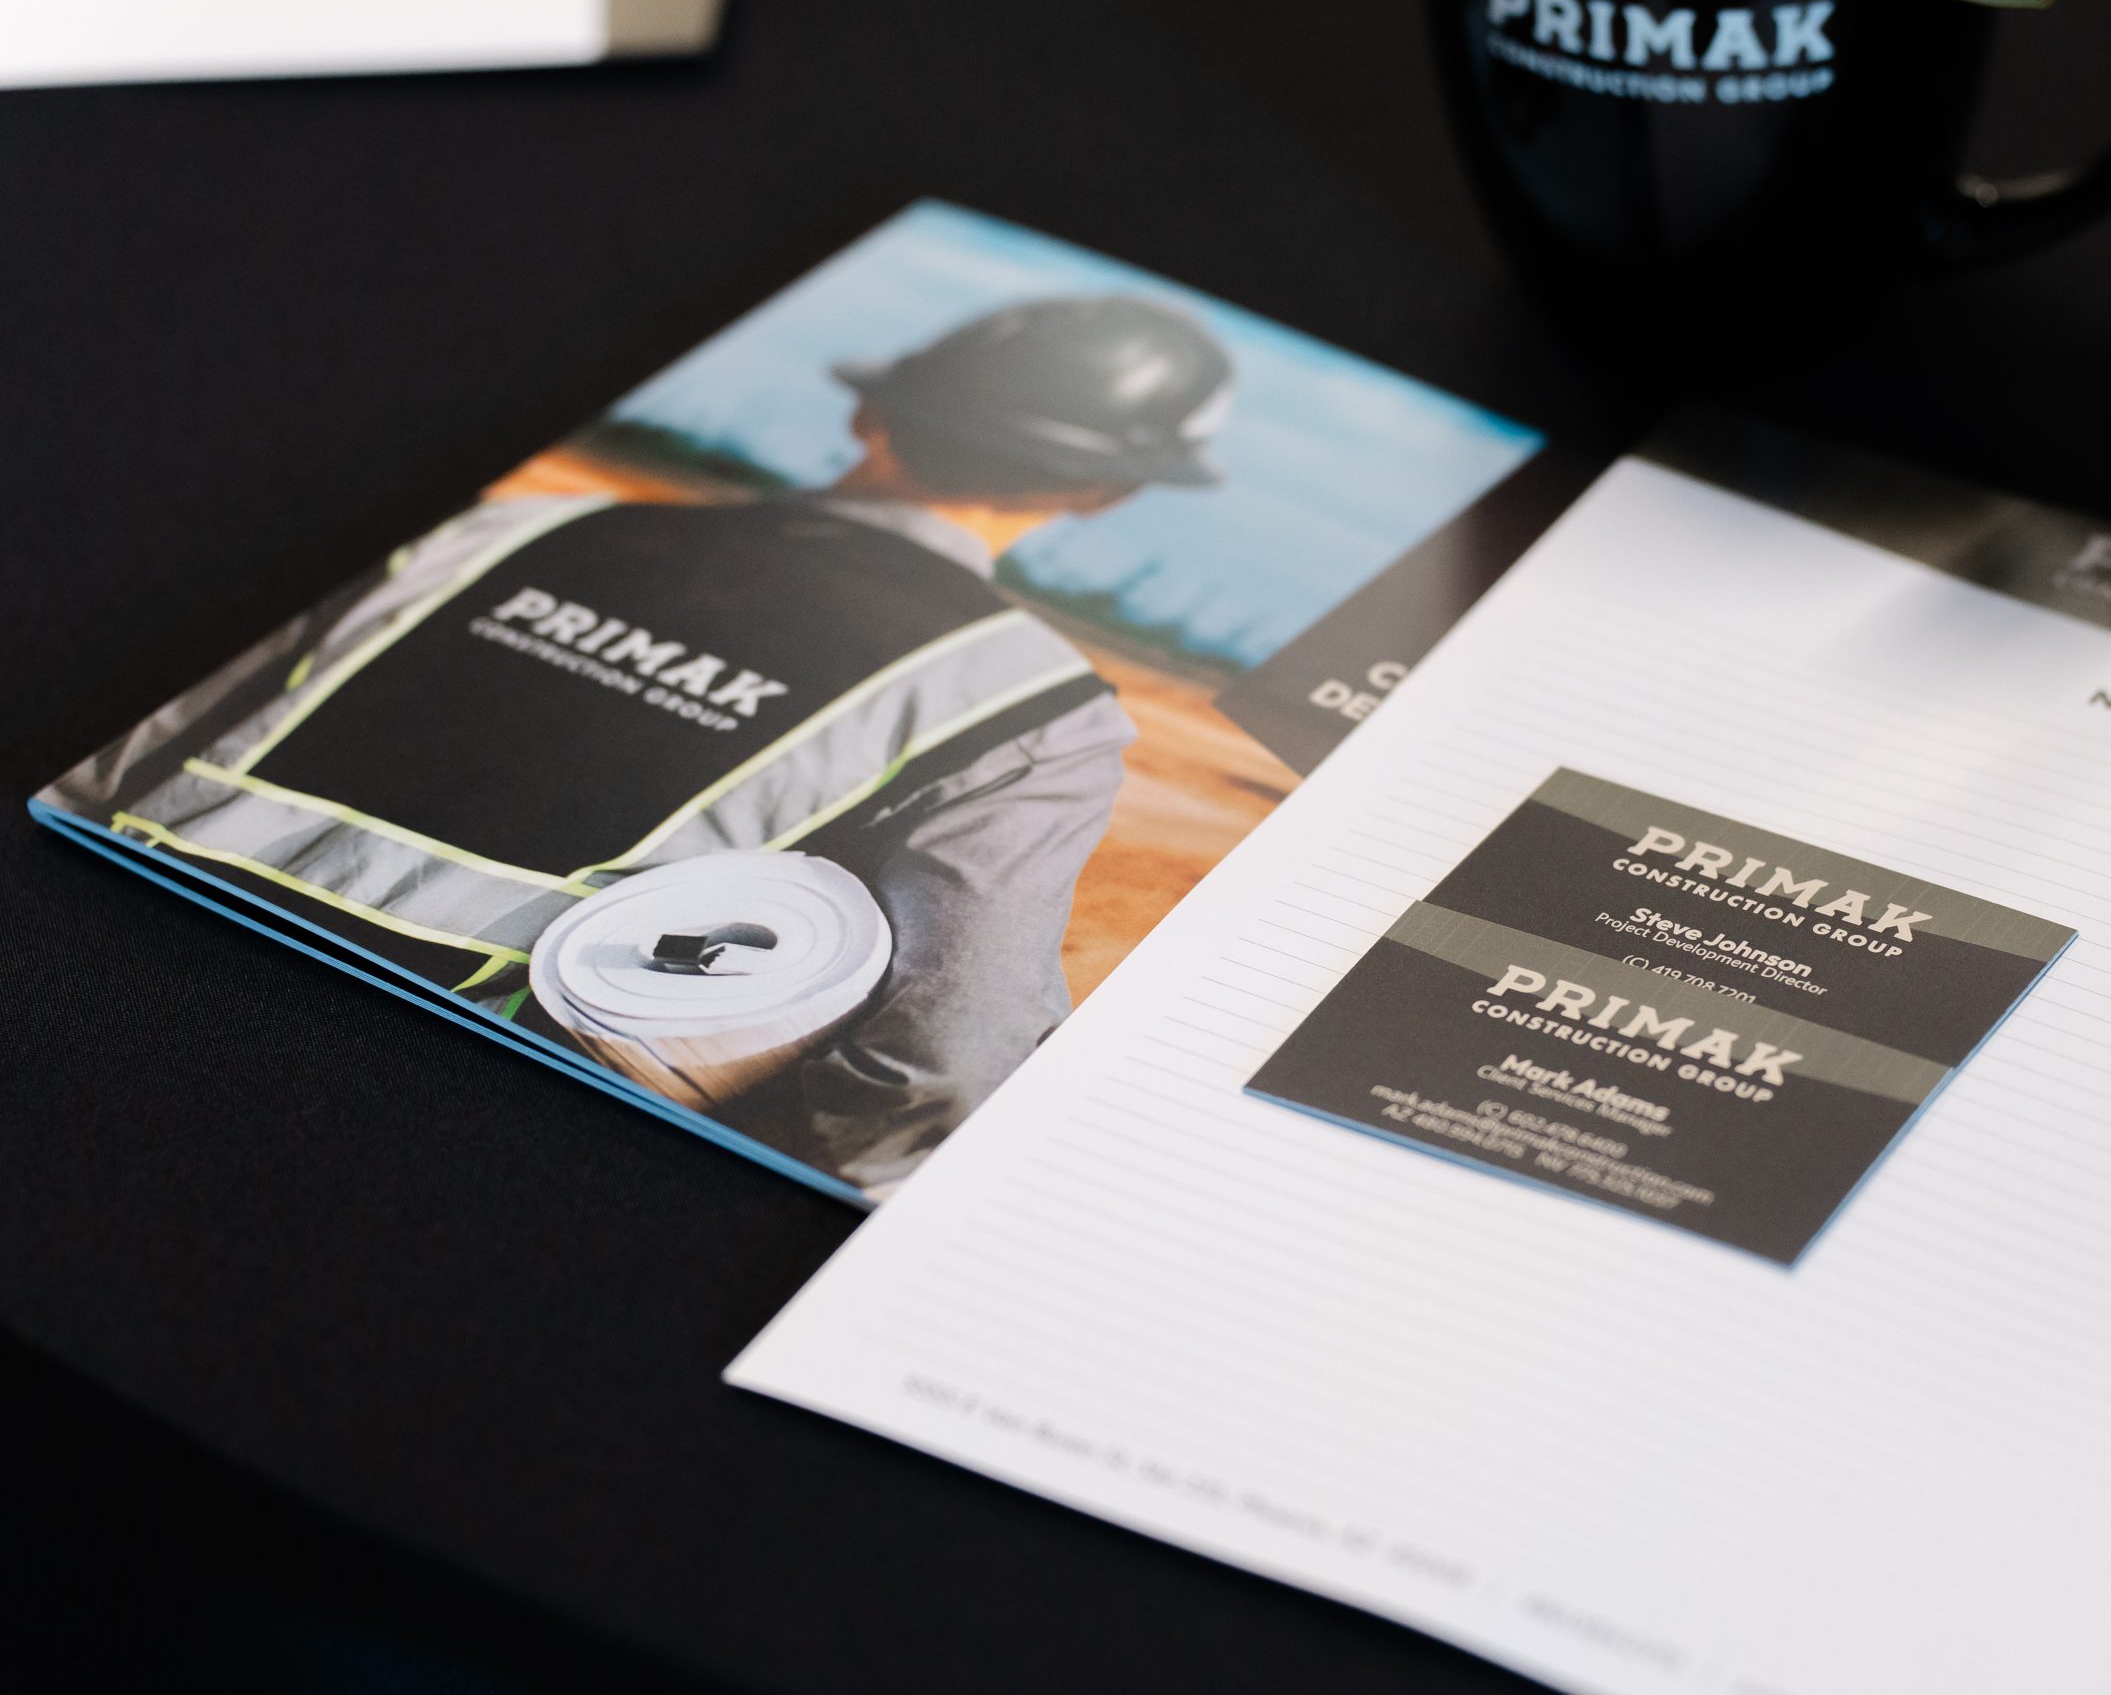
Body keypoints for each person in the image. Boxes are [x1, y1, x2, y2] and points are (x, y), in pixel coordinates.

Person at [47, 294, 1236, 1193]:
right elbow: (944, 1064)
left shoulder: (502, 531)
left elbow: (110, 766)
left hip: (81, 965)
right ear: (1103, 497)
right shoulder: (1031, 706)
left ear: (873, 411)